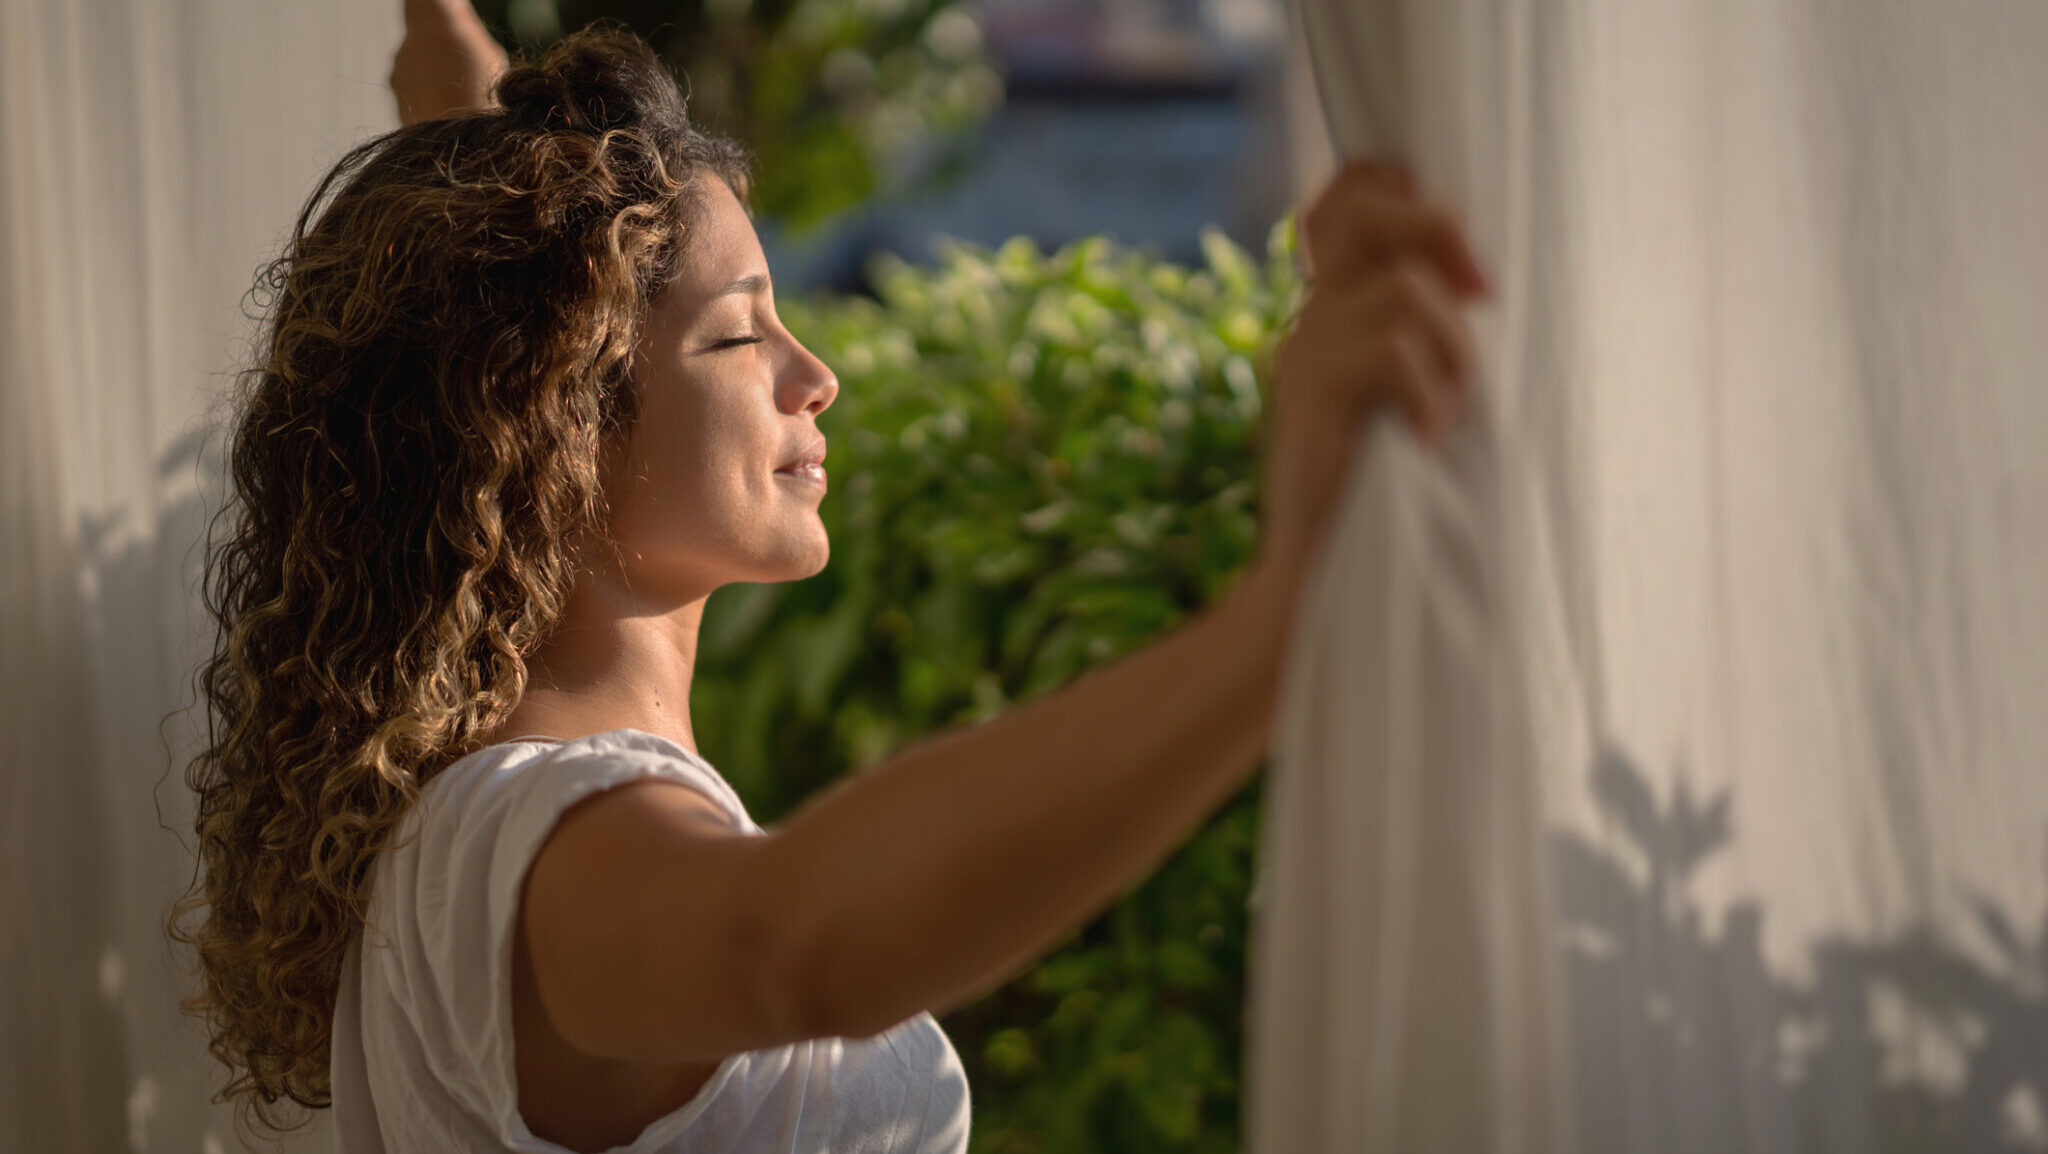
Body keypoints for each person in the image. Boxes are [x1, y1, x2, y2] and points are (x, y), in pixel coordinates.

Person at [172, 4, 1490, 1151]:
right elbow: (786, 945)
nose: (818, 375)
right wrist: (1277, 622)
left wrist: (457, 101)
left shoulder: (454, 817)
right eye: (741, 331)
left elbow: (480, 324)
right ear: (556, 415)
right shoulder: (549, 836)